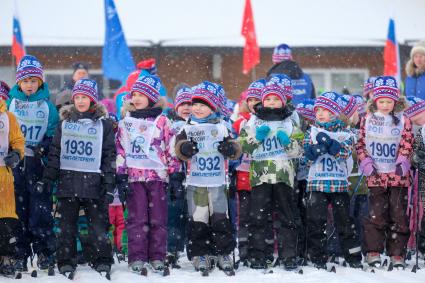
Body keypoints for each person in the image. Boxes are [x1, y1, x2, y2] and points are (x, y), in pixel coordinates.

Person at [39, 79, 115, 275]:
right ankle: (65, 260)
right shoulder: (64, 124)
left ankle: (102, 258)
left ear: (93, 100)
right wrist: (48, 178)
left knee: (97, 226)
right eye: (77, 97)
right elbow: (55, 153)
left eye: (85, 97)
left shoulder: (103, 125)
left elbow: (108, 156)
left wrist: (108, 183)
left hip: (94, 183)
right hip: (68, 181)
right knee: (66, 227)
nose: (81, 101)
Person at [116, 75, 180, 274]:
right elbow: (121, 149)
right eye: (134, 95)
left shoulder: (163, 121)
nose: (136, 98)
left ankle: (157, 256)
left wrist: (175, 174)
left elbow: (171, 148)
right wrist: (121, 175)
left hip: (157, 178)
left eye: (141, 95)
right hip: (135, 178)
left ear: (151, 97)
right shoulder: (125, 122)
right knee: (137, 219)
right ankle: (137, 256)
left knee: (158, 219)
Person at [175, 81, 240, 275]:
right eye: (195, 104)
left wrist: (230, 149)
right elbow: (178, 149)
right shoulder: (187, 127)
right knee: (198, 219)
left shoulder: (222, 126)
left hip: (218, 182)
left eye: (203, 105)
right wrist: (185, 149)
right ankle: (200, 253)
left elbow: (236, 149)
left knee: (221, 219)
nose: (197, 108)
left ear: (213, 107)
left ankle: (224, 252)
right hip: (196, 183)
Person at [239, 75, 302, 270]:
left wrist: (287, 141)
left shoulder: (291, 121)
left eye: (276, 99)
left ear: (283, 101)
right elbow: (244, 148)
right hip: (260, 176)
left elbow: (298, 151)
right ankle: (259, 254)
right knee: (258, 217)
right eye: (268, 99)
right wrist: (256, 138)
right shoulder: (253, 121)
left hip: (283, 175)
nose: (271, 102)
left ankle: (288, 255)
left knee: (286, 216)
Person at [7, 55, 59, 272]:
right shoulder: (11, 104)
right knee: (17, 211)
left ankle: (45, 251)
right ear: (19, 82)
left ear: (40, 82)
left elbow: (54, 133)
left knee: (41, 211)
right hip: (16, 164)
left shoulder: (48, 107)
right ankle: (19, 253)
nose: (29, 85)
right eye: (26, 81)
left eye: (33, 81)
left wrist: (45, 146)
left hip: (38, 165)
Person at [356, 76, 413, 268]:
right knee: (376, 214)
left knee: (398, 214)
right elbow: (361, 143)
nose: (386, 105)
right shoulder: (367, 119)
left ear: (395, 101)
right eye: (382, 101)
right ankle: (373, 251)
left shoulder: (404, 120)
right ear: (375, 101)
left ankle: (397, 253)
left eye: (389, 101)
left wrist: (403, 159)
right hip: (376, 174)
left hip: (397, 175)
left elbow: (407, 141)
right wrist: (365, 162)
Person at [303, 92, 362, 269]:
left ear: (334, 112)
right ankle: (318, 256)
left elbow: (345, 154)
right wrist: (315, 150)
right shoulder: (312, 132)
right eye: (318, 110)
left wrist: (332, 145)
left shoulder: (345, 133)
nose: (320, 113)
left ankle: (352, 256)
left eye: (325, 110)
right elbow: (306, 159)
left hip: (338, 184)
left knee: (344, 221)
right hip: (317, 184)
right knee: (316, 221)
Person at [232, 79, 265, 266]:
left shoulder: (270, 121)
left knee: (260, 216)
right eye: (250, 100)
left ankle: (259, 249)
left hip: (263, 175)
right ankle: (244, 249)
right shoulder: (239, 123)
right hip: (243, 176)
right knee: (243, 216)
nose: (253, 103)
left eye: (257, 99)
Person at [0, 81, 25, 278]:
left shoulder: (8, 118)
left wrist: (16, 154)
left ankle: (6, 258)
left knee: (5, 219)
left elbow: (17, 140)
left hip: (3, 176)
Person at [166, 86, 192, 268]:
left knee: (192, 215)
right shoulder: (170, 125)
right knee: (174, 215)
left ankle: (192, 249)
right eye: (182, 104)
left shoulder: (198, 125)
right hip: (175, 176)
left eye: (190, 103)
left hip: (195, 177)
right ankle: (172, 249)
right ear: (176, 107)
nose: (186, 107)